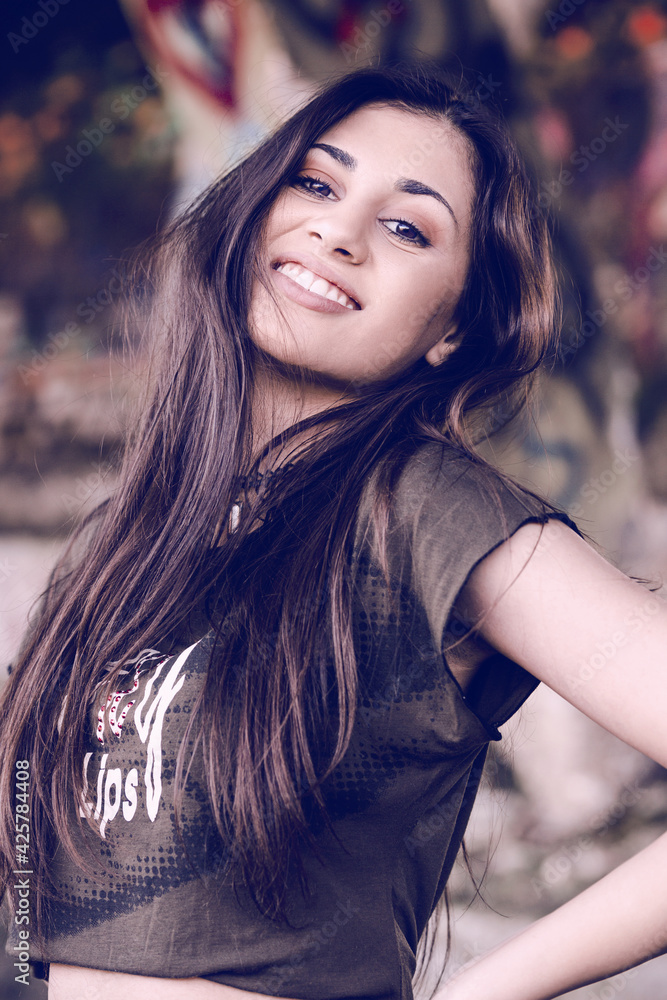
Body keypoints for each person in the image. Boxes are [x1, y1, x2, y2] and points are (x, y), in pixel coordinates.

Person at [1, 62, 666, 1000]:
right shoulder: (119, 541)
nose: (338, 231)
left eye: (407, 227)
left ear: (451, 329)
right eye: (314, 181)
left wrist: (478, 993)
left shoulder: (434, 514)